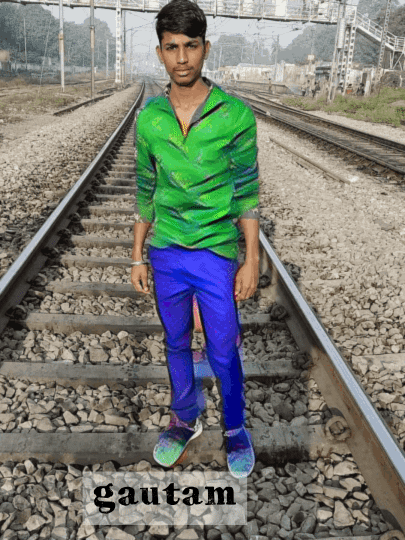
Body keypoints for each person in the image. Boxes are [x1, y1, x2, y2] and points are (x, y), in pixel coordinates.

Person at [131, 0, 259, 479]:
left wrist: (251, 260)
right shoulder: (150, 118)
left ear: (206, 48)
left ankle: (234, 426)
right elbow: (145, 189)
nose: (182, 58)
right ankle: (185, 418)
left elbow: (247, 192)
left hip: (214, 252)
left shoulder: (236, 115)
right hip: (166, 251)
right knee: (176, 341)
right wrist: (137, 256)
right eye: (172, 48)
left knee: (223, 346)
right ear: (160, 52)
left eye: (191, 46)